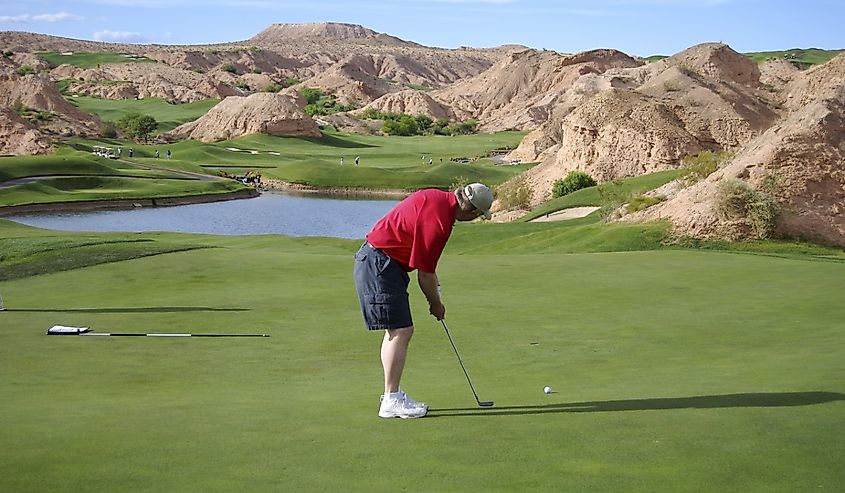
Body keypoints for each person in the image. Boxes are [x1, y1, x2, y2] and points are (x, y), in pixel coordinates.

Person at [353, 183, 494, 419]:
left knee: (398, 330)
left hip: (381, 262)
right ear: (470, 212)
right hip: (380, 264)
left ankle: (391, 395)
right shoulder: (440, 221)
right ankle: (391, 400)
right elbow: (425, 274)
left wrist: (436, 294)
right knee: (401, 330)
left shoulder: (436, 197)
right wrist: (435, 305)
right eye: (479, 215)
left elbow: (427, 269)